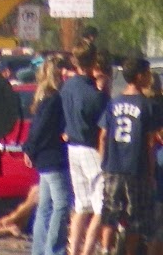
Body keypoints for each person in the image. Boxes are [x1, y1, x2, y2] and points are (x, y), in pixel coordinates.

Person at [96, 56, 156, 255]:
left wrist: (104, 163)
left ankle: (105, 249)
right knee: (135, 218)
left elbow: (103, 136)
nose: (149, 78)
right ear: (139, 76)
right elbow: (149, 143)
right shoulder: (146, 105)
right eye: (147, 74)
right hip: (135, 169)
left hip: (113, 168)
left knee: (110, 213)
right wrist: (151, 171)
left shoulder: (114, 102)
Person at [65, 40, 110, 255]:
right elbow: (103, 128)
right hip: (91, 149)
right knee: (103, 207)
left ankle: (74, 250)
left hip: (72, 148)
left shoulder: (68, 87)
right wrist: (104, 91)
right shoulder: (95, 94)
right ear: (93, 61)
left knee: (82, 205)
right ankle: (88, 251)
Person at [26, 54, 72, 255]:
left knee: (45, 206)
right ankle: (54, 250)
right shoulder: (54, 99)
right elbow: (41, 129)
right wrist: (30, 148)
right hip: (53, 157)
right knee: (62, 204)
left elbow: (36, 128)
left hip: (44, 158)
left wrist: (30, 149)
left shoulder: (44, 98)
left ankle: (39, 250)